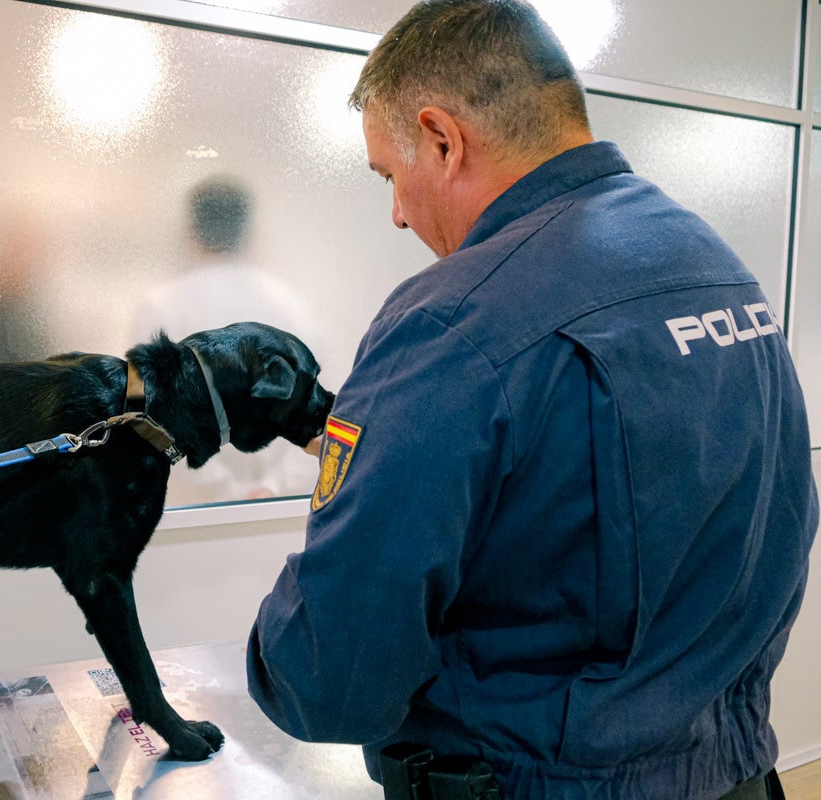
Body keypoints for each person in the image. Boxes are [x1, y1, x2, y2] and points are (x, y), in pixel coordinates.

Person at [245, 2, 818, 799]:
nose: (399, 212)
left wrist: (273, 642)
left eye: (390, 175)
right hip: (737, 775)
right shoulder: (716, 269)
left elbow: (331, 676)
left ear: (443, 140)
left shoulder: (454, 320)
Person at [131, 175, 329, 504]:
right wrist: (271, 488)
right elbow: (320, 412)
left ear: (190, 230)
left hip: (192, 515)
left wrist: (225, 491)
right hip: (279, 510)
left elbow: (149, 418)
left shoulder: (160, 308)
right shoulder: (290, 306)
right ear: (249, 230)